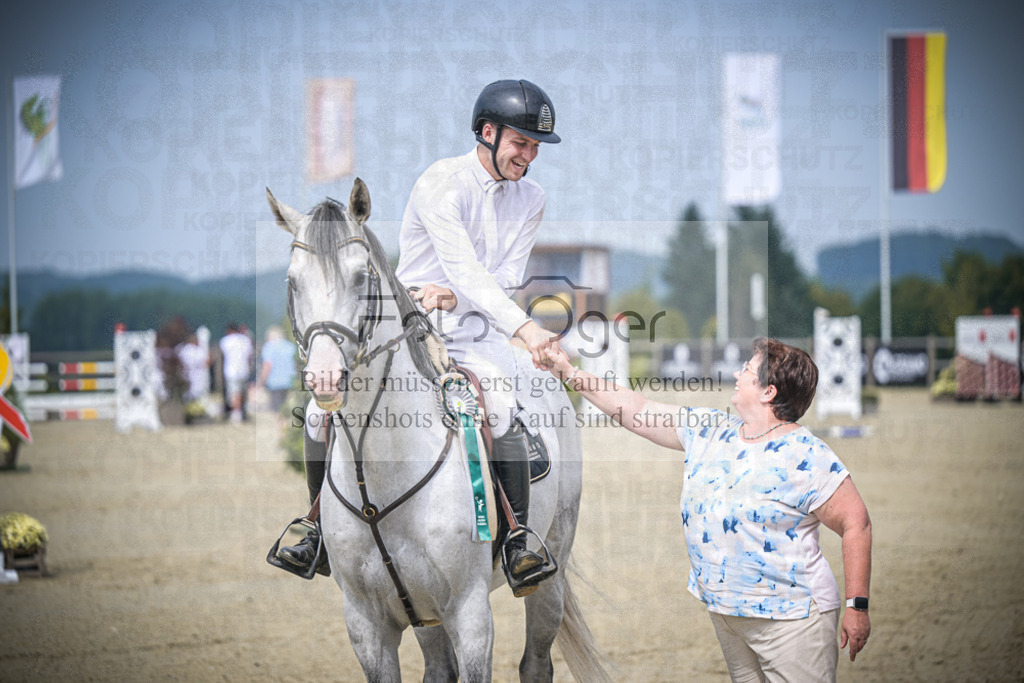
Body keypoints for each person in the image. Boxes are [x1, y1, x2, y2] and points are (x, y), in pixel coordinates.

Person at [277, 80, 565, 592]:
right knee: (323, 409)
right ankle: (316, 525)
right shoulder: (440, 183)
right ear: (487, 132)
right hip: (408, 326)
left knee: (498, 403)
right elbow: (465, 267)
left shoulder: (533, 198)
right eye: (521, 143)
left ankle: (517, 537)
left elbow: (505, 278)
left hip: (477, 333)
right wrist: (522, 324)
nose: (529, 156)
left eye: (535, 146)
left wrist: (464, 300)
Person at [548, 337, 872, 681]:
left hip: (793, 620)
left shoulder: (808, 454)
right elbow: (637, 408)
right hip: (728, 615)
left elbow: (857, 524)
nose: (736, 372)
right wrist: (570, 372)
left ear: (768, 392)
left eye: (746, 370)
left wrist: (857, 606)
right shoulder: (711, 429)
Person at [219, 322, 253, 424]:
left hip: (231, 370)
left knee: (234, 393)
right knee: (242, 392)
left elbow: (223, 355)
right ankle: (241, 411)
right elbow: (249, 356)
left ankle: (236, 413)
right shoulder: (245, 340)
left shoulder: (225, 341)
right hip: (243, 369)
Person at [258, 325, 297, 414]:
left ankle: (280, 425)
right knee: (287, 407)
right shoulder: (290, 346)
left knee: (277, 409)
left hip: (275, 382)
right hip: (290, 381)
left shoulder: (269, 347)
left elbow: (267, 366)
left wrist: (262, 381)